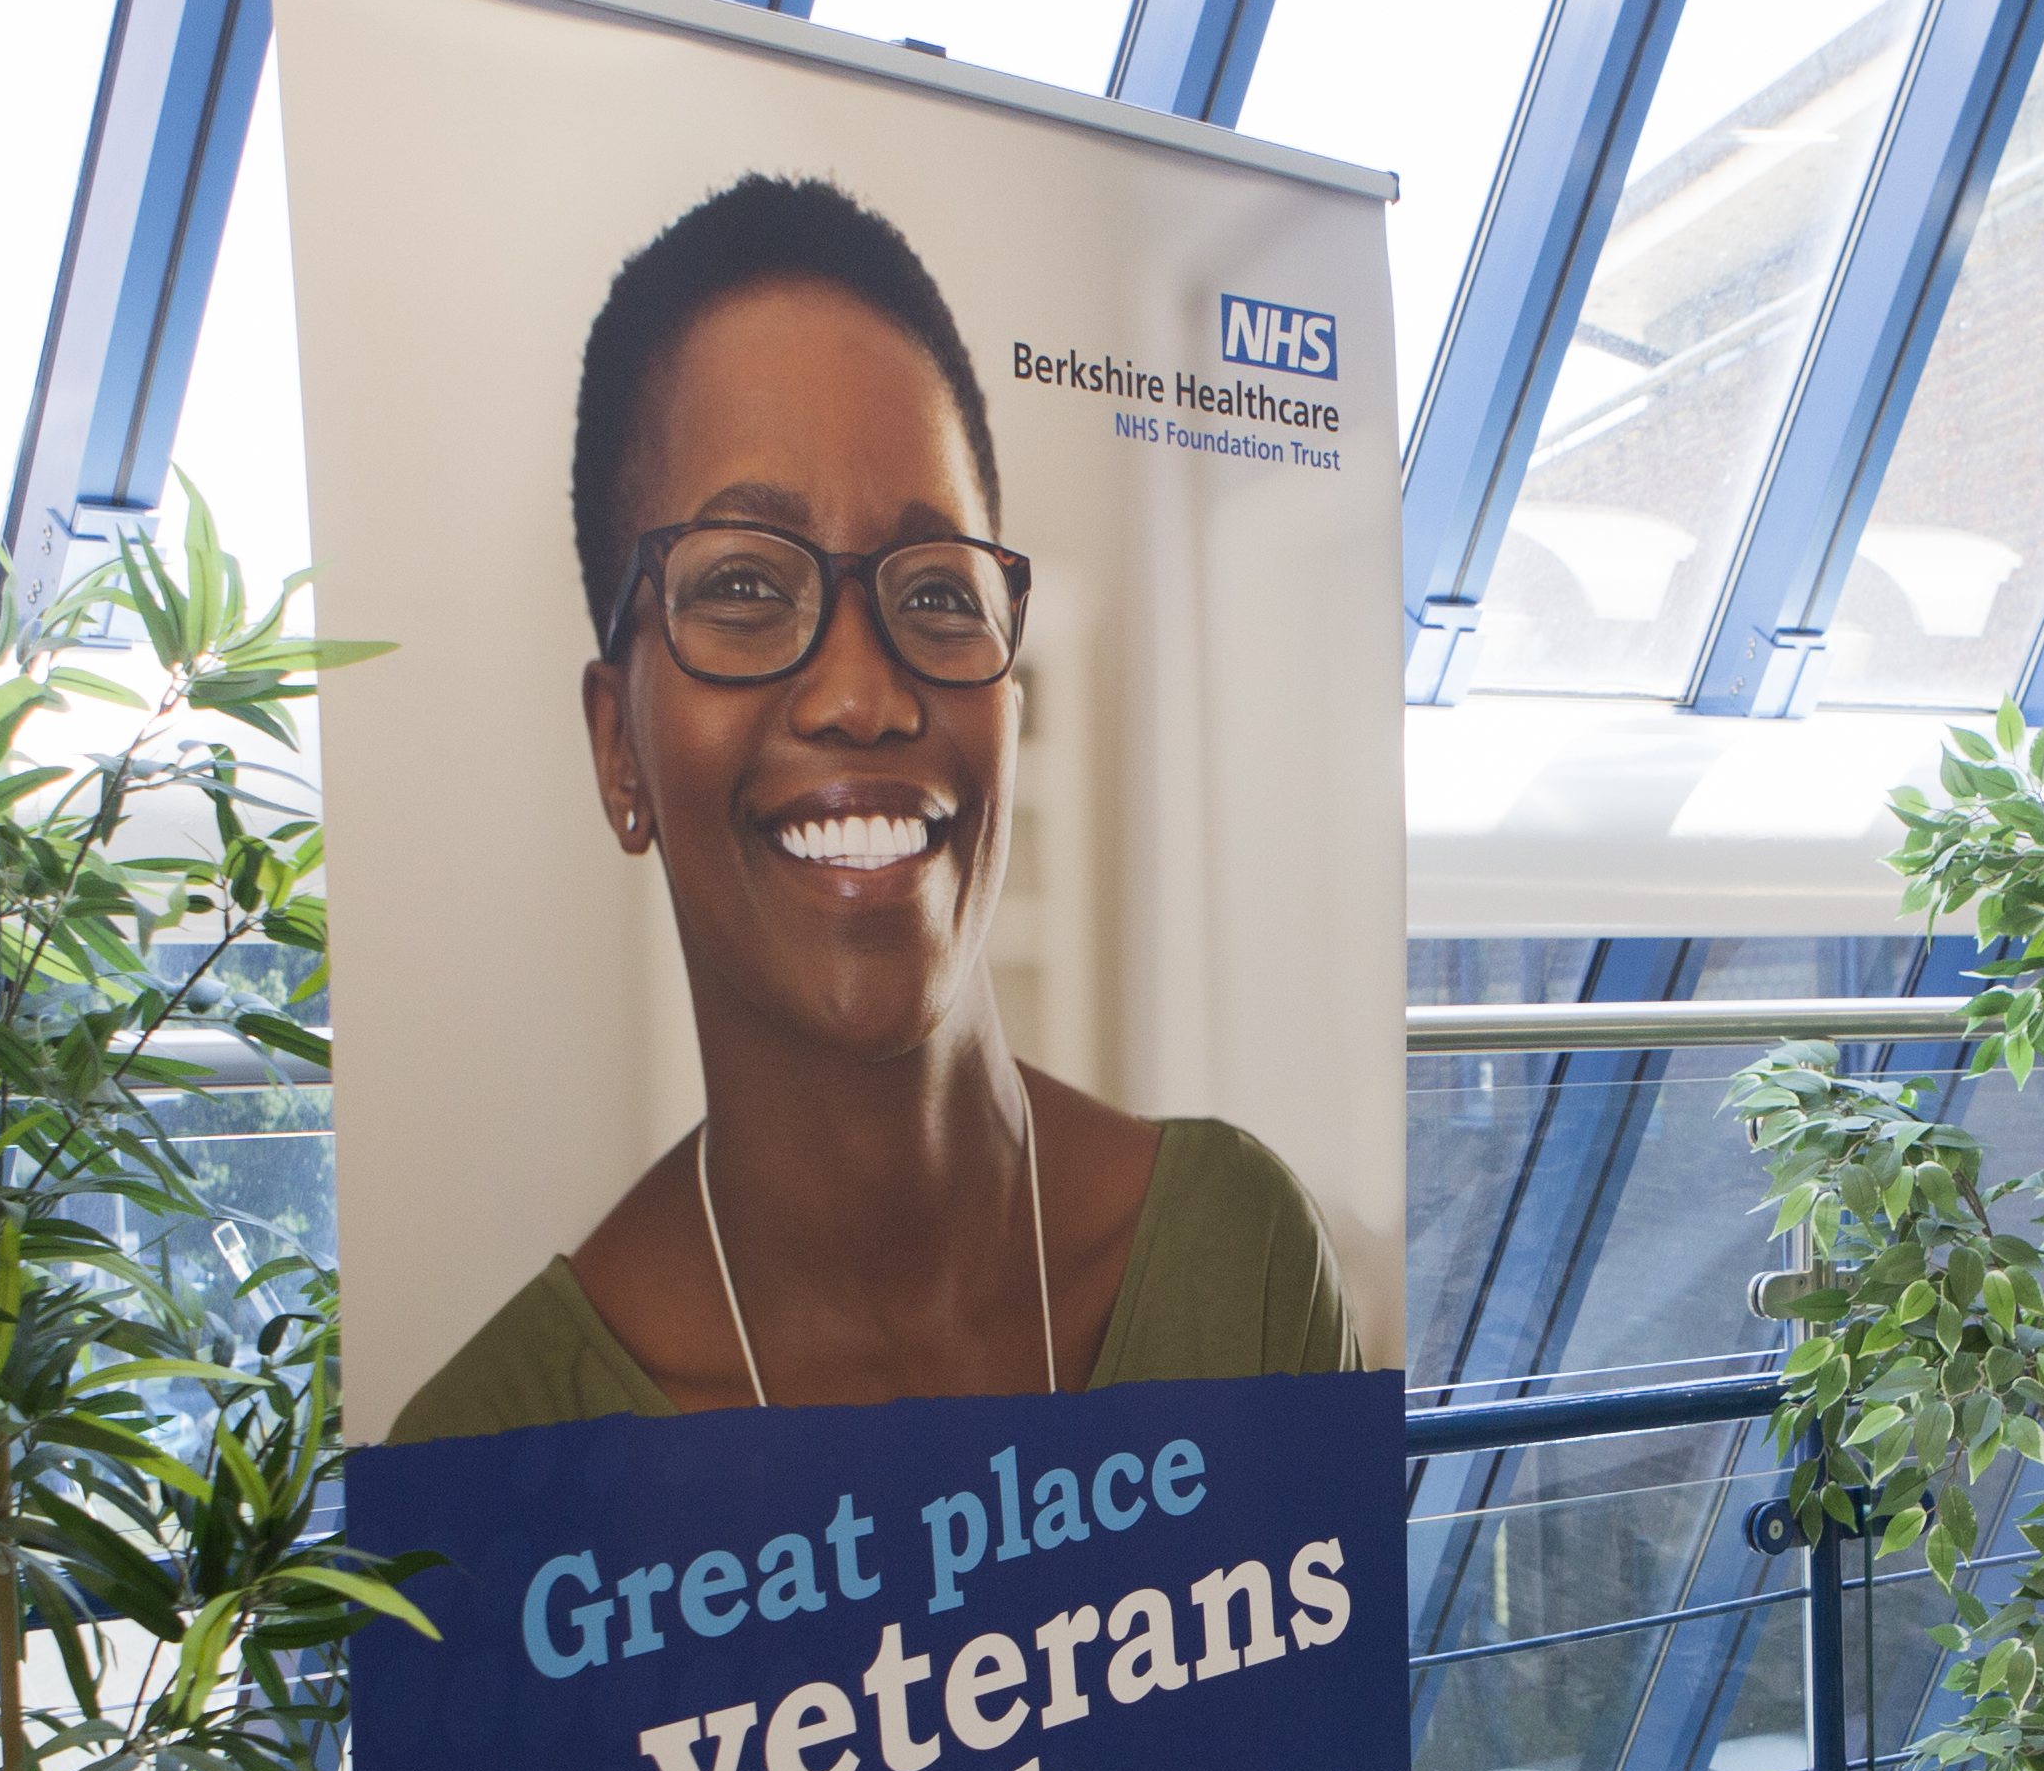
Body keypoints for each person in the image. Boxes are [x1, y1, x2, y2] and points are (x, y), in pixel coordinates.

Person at [391, 171, 1357, 1441]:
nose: (862, 692)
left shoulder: (1240, 1265)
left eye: (941, 592)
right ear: (618, 748)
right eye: (742, 582)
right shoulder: (488, 1462)